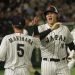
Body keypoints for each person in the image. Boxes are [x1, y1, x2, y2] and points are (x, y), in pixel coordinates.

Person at [36, 5, 75, 75]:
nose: (49, 15)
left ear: (56, 15)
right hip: (47, 64)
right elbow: (36, 38)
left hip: (62, 63)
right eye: (47, 14)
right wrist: (51, 29)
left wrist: (74, 51)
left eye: (51, 13)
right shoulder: (41, 28)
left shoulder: (65, 29)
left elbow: (71, 45)